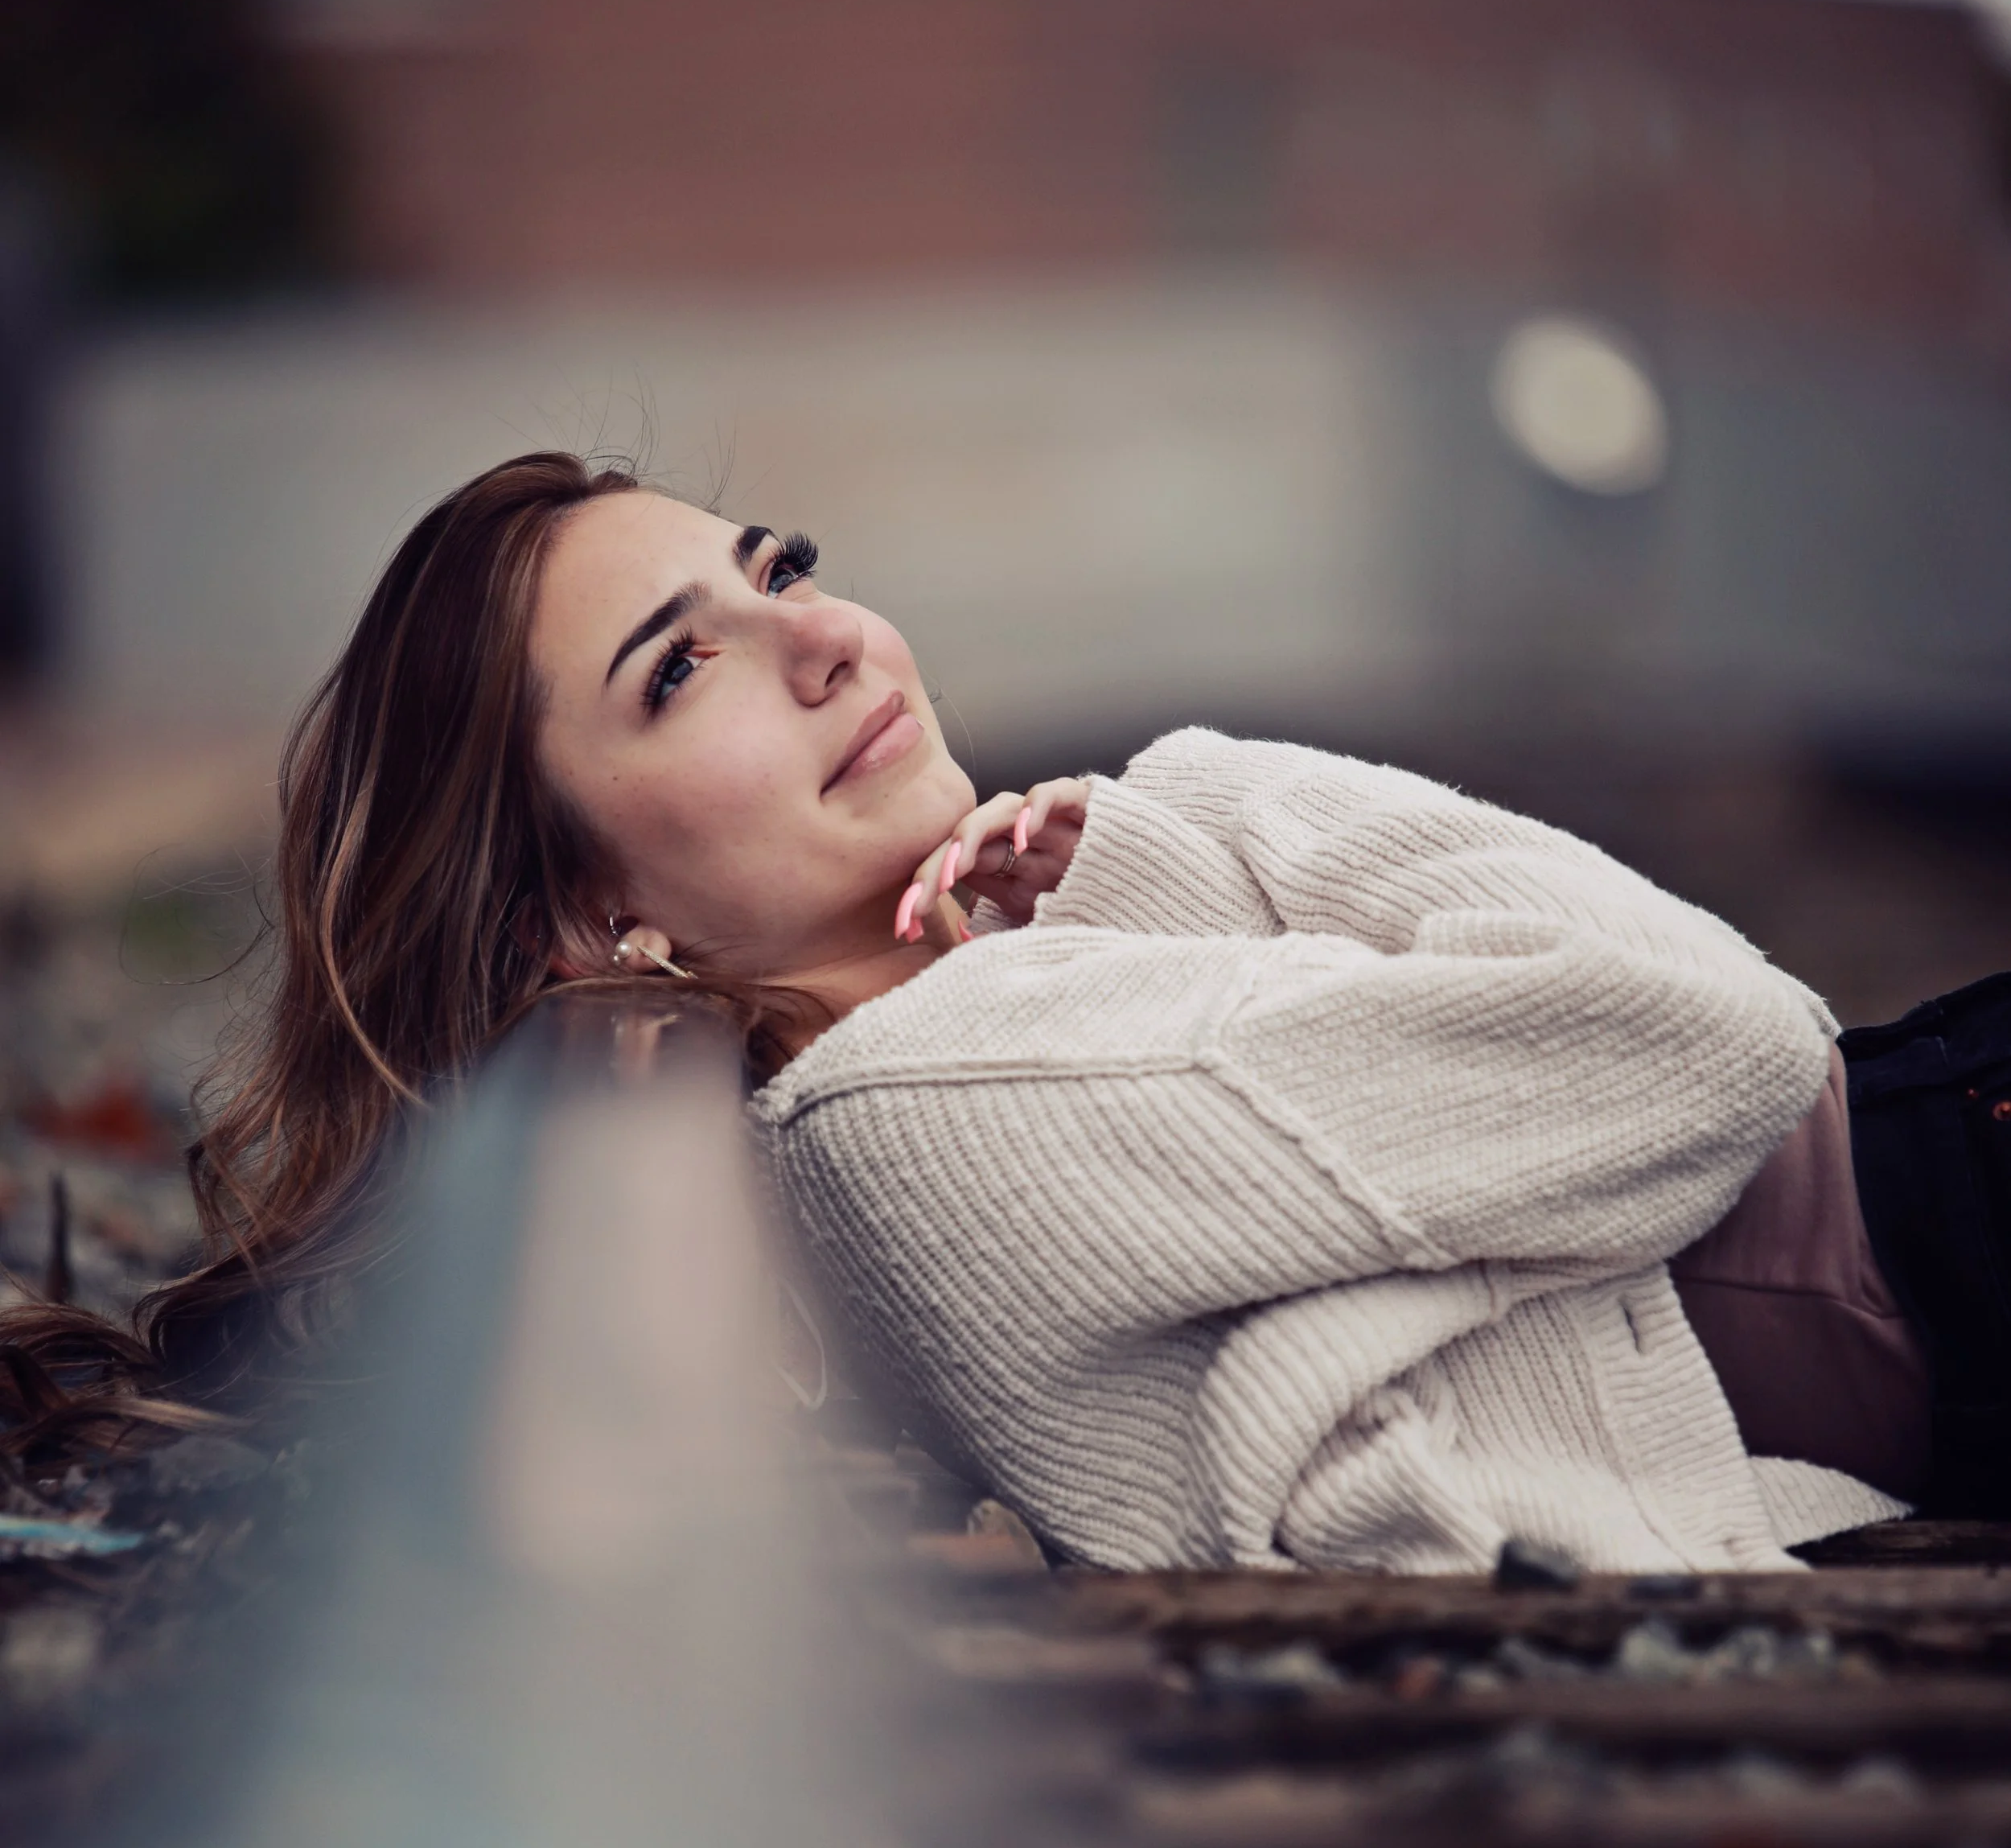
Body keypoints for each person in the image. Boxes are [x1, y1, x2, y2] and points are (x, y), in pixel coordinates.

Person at [2, 454, 2000, 1571]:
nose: (818, 633)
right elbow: (1713, 1036)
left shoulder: (948, 1055)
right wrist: (1194, 805)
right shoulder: (943, 1089)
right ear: (579, 913)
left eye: (776, 567)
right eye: (676, 669)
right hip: (1930, 1218)